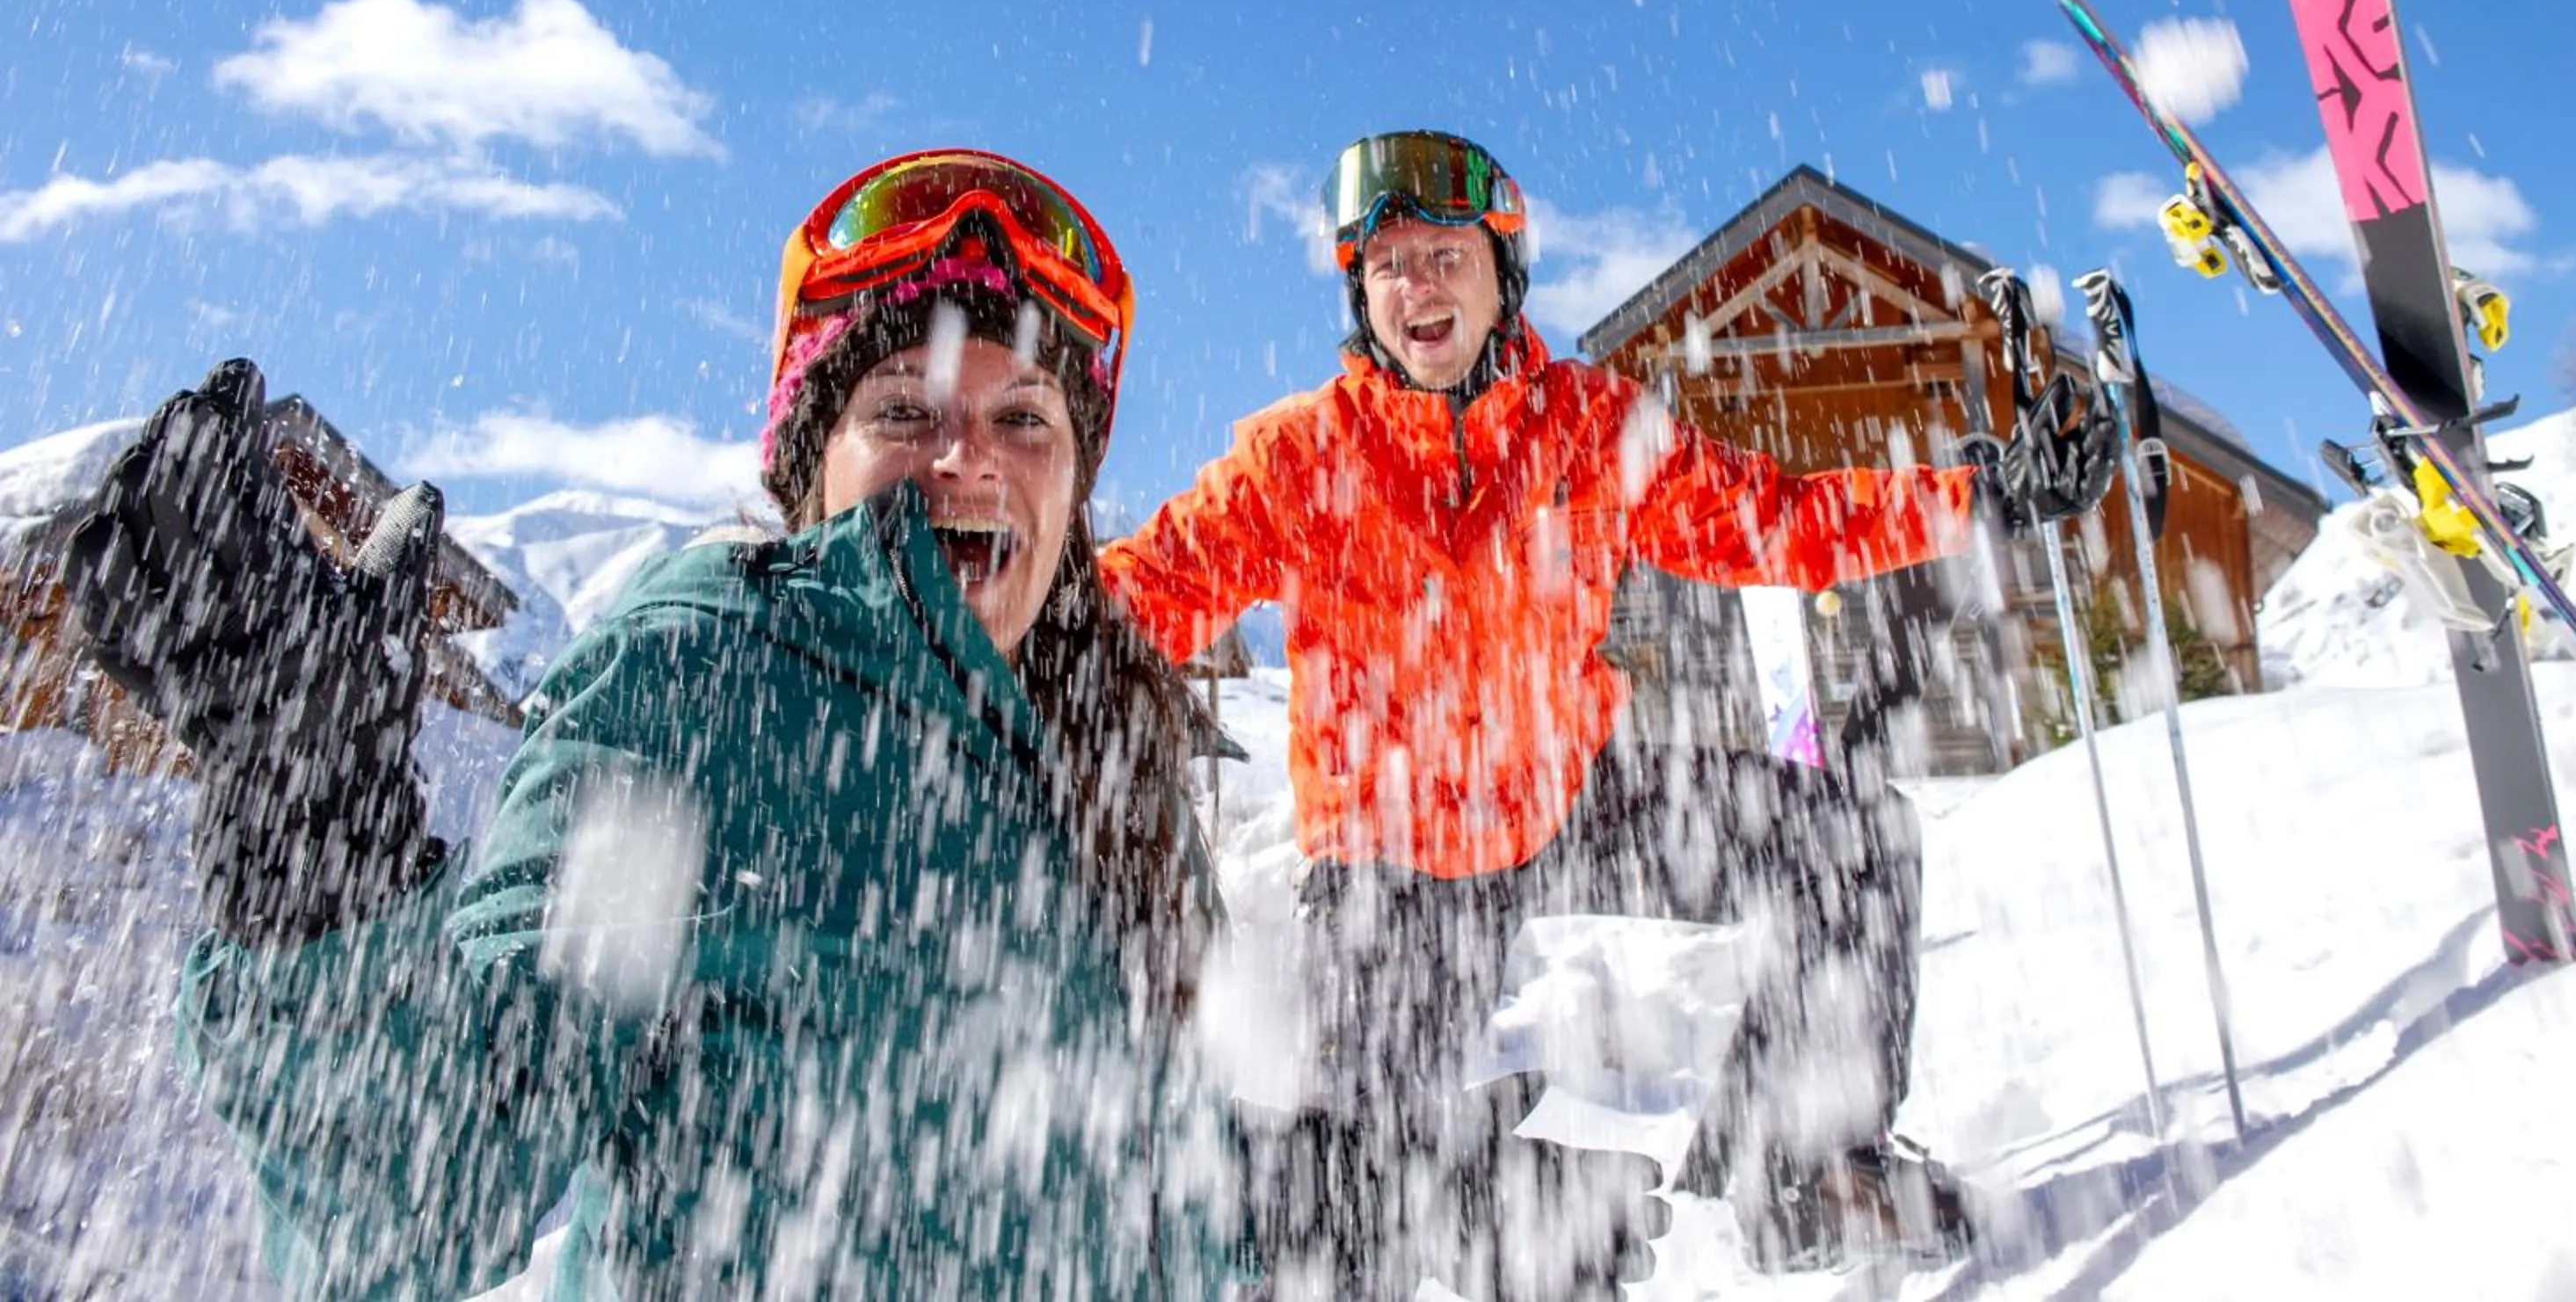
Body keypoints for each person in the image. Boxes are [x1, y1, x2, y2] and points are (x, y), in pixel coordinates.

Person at [62, 150, 1254, 1299]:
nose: (969, 460)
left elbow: (1128, 1155)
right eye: (904, 407)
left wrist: (1283, 1192)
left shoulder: (1112, 758)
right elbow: (414, 1201)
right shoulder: (700, 682)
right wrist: (312, 826)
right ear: (812, 468)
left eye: (1027, 419)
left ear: (1075, 487)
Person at [1100, 129, 2108, 1277]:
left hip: (1570, 800)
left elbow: (1777, 520)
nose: (1415, 286)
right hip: (1392, 862)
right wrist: (978, 612)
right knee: (1371, 1191)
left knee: (1851, 837)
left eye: (1444, 256)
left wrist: (1975, 498)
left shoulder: (1587, 429)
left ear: (1504, 273)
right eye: (1388, 266)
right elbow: (1140, 589)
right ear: (1359, 294)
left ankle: (1811, 1168)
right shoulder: (1302, 458)